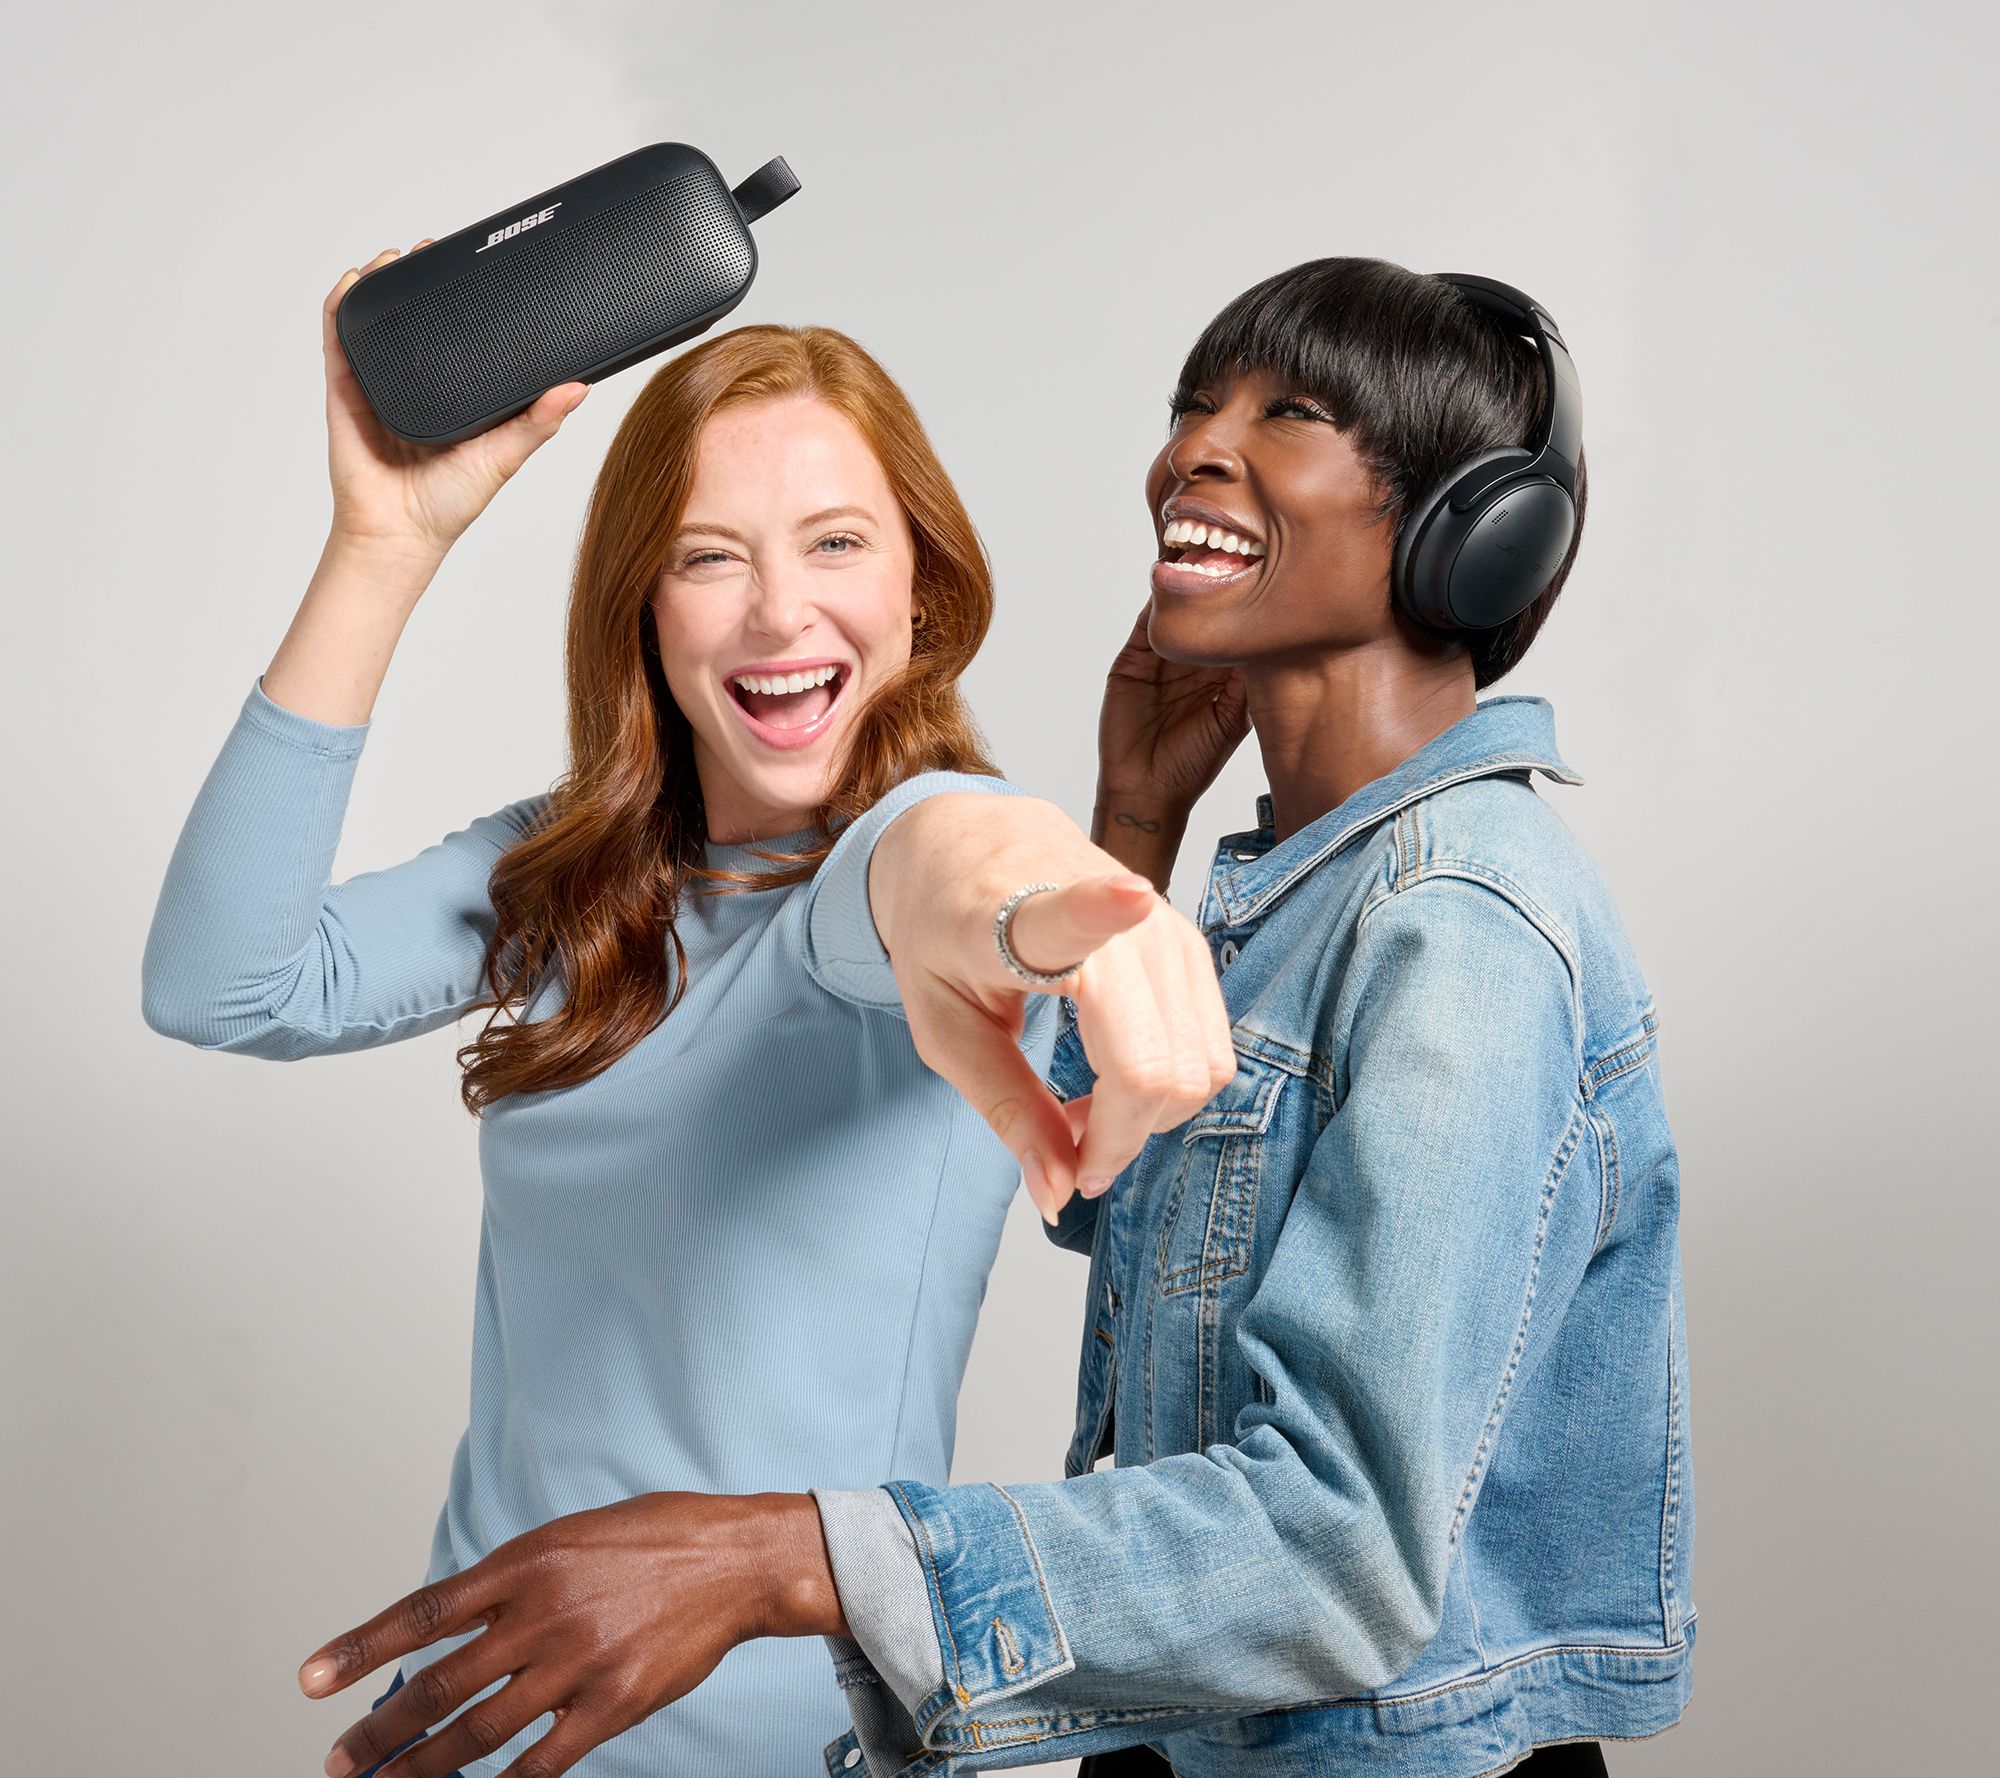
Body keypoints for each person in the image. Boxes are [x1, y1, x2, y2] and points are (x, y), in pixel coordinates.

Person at [294, 257, 1692, 1778]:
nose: (1193, 451)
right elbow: (1102, 1184)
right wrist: (1135, 821)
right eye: (1193, 406)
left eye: (1285, 413)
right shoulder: (1294, 893)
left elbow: (1341, 1551)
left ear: (1472, 535)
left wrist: (779, 1559)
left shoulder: (1460, 920)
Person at [141, 246, 1235, 1778]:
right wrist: (384, 542)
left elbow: (957, 866)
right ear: (644, 608)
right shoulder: (572, 879)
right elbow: (220, 981)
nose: (780, 613)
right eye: (710, 557)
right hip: (483, 1727)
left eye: (837, 541)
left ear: (919, 584)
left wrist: (1060, 894)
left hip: (792, 1748)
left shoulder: (899, 856)